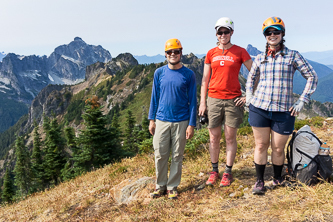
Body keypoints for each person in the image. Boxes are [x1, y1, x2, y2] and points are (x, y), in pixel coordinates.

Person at [246, 17, 318, 194]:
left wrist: (302, 100)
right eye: (269, 32)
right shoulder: (260, 57)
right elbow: (251, 79)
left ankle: (277, 178)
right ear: (265, 36)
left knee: (278, 147)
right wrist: (249, 96)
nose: (272, 35)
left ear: (282, 34)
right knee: (261, 145)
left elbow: (312, 76)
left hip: (283, 110)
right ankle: (260, 181)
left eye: (276, 32)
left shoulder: (293, 55)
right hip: (260, 108)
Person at [199, 17, 253, 187]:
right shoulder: (211, 53)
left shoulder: (240, 51)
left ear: (232, 33)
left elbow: (255, 74)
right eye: (220, 32)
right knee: (214, 138)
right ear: (216, 33)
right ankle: (214, 171)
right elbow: (205, 79)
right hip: (213, 99)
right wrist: (203, 103)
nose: (223, 35)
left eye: (226, 32)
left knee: (230, 137)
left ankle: (227, 172)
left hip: (233, 100)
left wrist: (248, 96)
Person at [148, 38, 197, 199]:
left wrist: (191, 124)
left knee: (177, 155)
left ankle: (172, 186)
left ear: (181, 53)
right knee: (160, 154)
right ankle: (160, 185)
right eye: (170, 52)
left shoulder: (189, 74)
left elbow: (193, 102)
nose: (173, 54)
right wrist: (151, 119)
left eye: (176, 51)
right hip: (161, 120)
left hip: (181, 121)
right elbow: (154, 97)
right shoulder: (159, 73)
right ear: (165, 54)